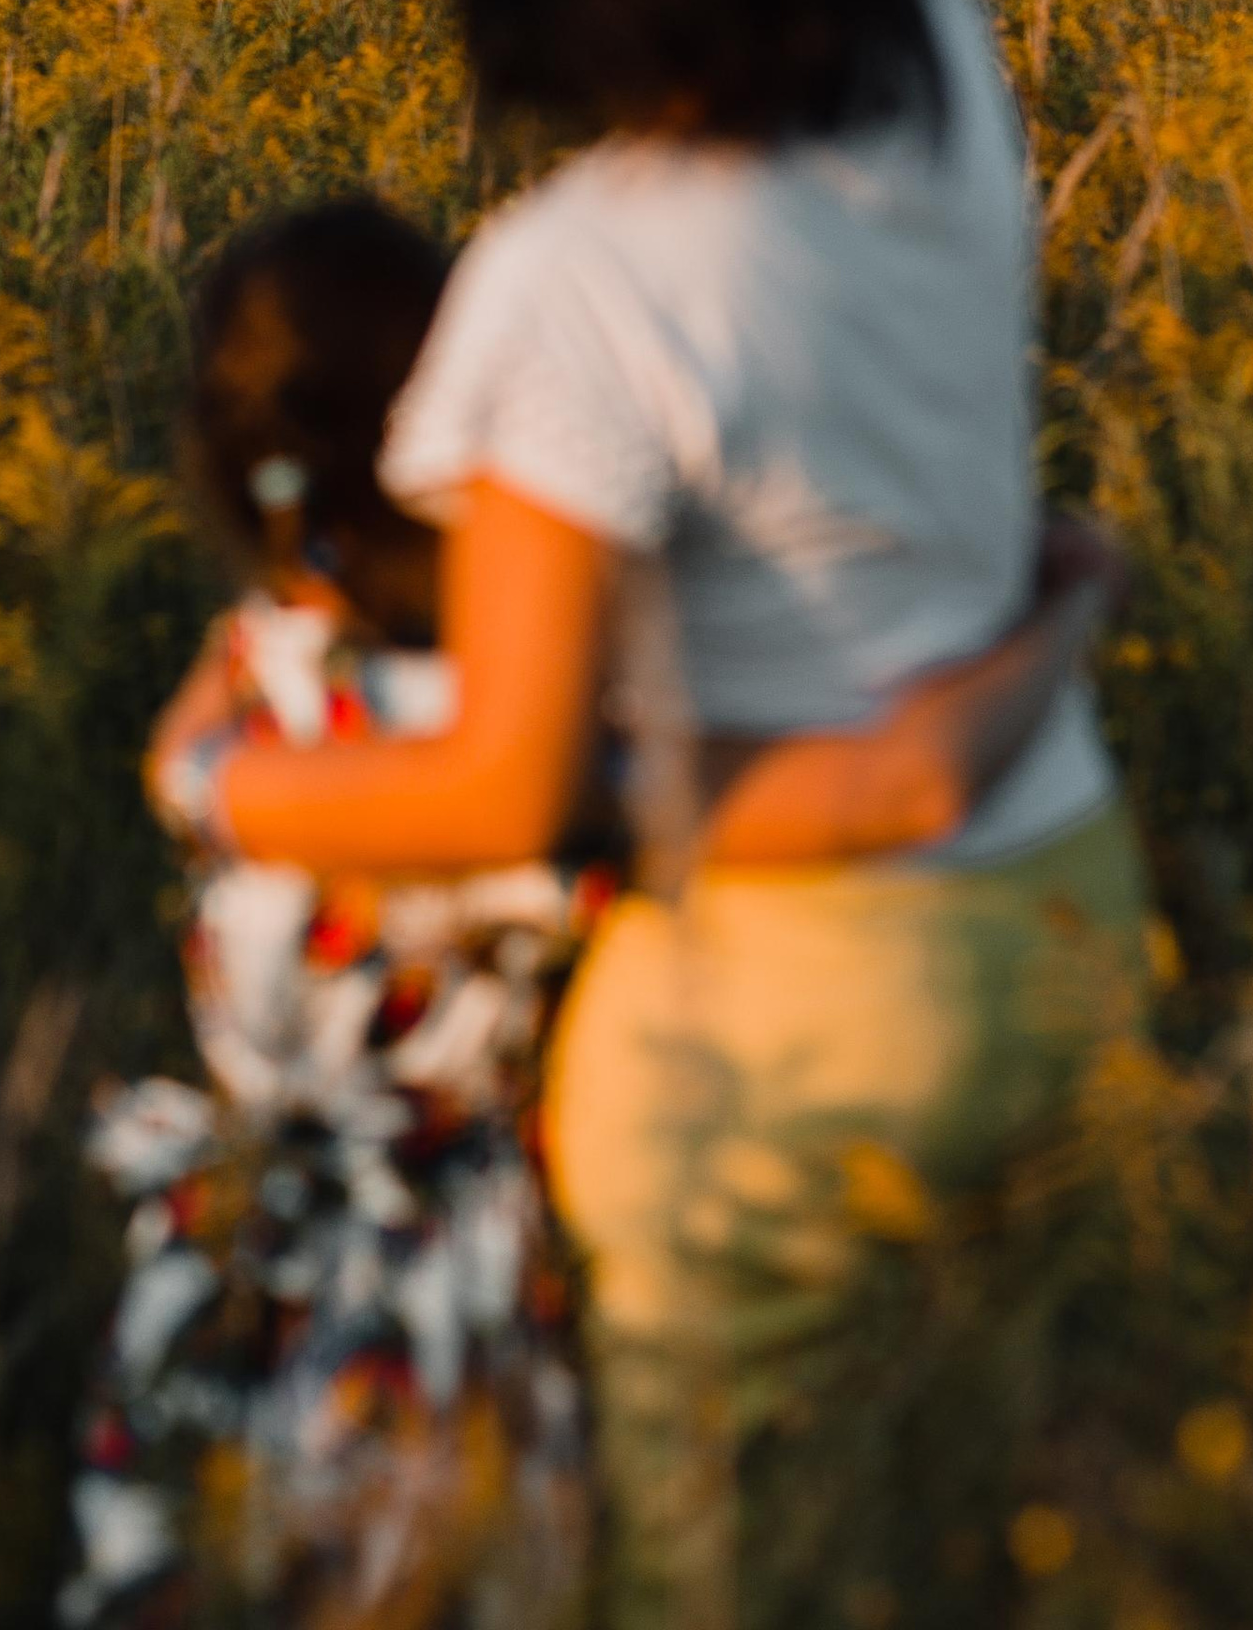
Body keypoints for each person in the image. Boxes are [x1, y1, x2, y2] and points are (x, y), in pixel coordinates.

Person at [148, 0, 1144, 1625]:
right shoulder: (932, 69)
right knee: (1025, 1519)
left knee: (738, 1570)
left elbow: (508, 789)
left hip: (775, 1025)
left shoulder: (567, 285)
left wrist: (223, 793)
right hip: (1063, 908)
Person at [106, 179, 1115, 1628]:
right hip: (445, 1298)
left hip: (227, 1268)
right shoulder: (506, 756)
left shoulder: (246, 708)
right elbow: (904, 784)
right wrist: (1066, 605)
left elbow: (226, 677)